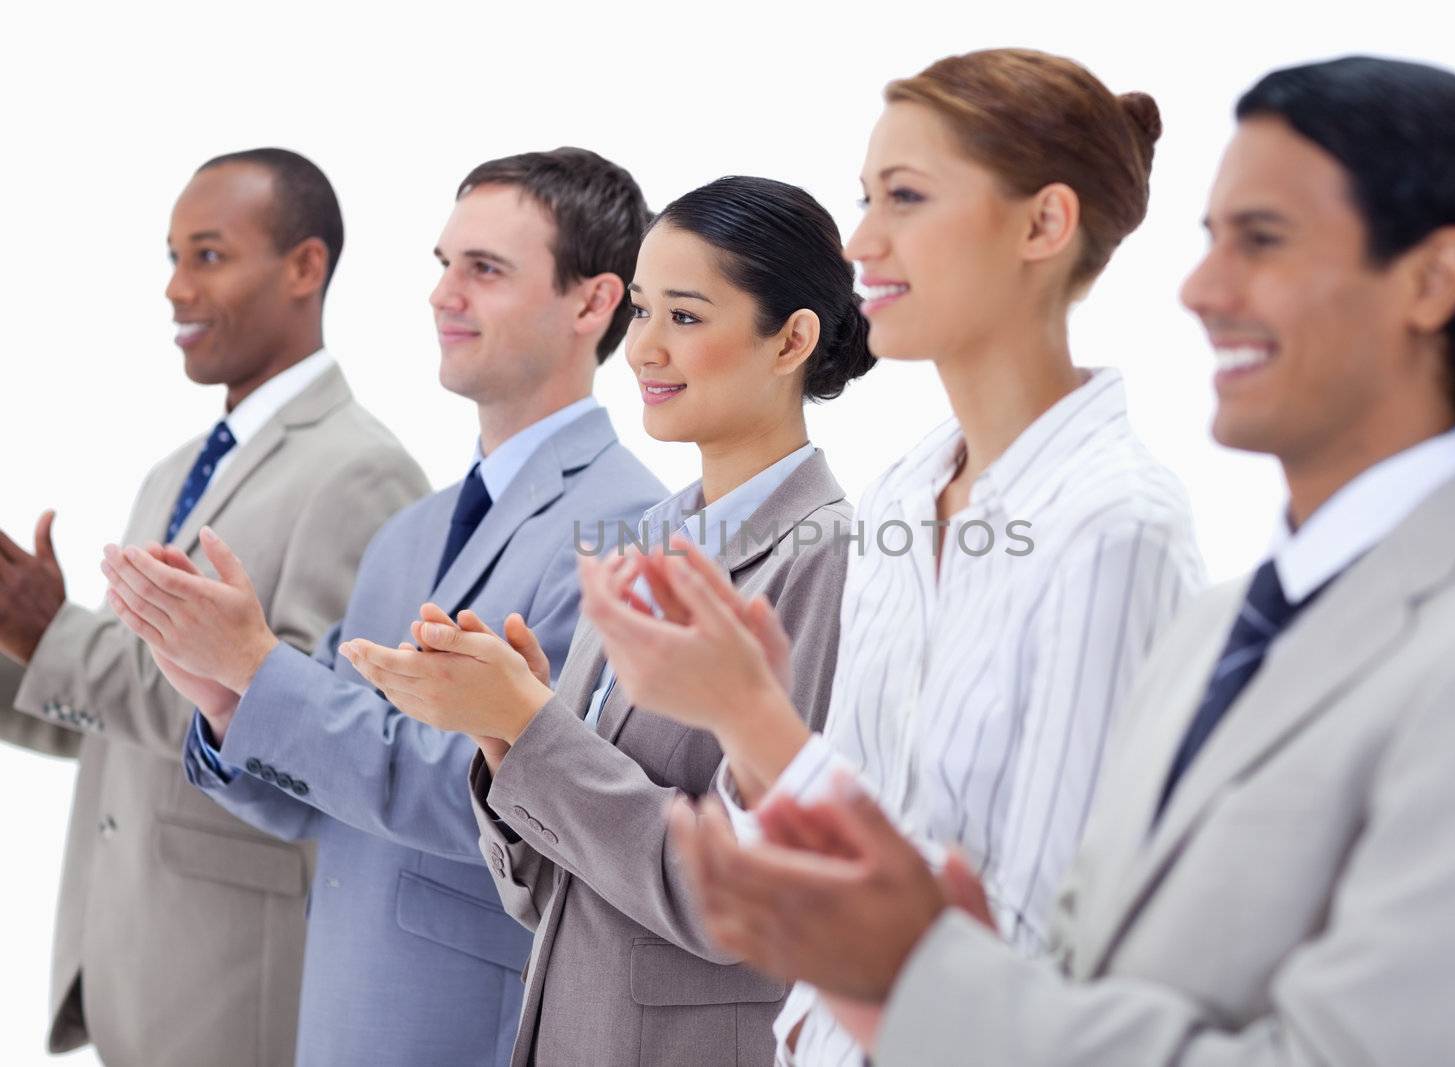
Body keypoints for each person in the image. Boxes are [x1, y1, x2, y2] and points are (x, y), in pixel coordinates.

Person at [665, 56, 1455, 1067]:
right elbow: (1084, 963)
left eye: (1264, 240)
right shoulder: (1220, 624)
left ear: (1431, 279)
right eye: (1209, 239)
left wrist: (909, 967)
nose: (1200, 288)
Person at [574, 48, 1203, 1064]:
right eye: (865, 198)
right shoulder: (909, 492)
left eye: (904, 198)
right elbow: (832, 848)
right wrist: (747, 721)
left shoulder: (1114, 528)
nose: (862, 241)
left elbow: (1045, 952)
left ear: (1043, 225)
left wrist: (747, 715)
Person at [99, 149, 664, 1065]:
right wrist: (223, 699)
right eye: (444, 265)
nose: (445, 295)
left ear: (593, 303)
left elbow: (505, 805)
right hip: (335, 1013)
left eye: (484, 269)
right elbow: (313, 795)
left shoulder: (627, 526)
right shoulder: (410, 533)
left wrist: (258, 666)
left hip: (466, 1024)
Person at [340, 174, 874, 1065]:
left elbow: (742, 899)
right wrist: (504, 740)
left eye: (687, 317)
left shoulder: (825, 557)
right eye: (641, 312)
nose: (643, 350)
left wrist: (532, 725)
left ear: (793, 339)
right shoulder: (642, 539)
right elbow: (550, 889)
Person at [0, 148, 427, 1065]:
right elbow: (116, 715)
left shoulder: (364, 471)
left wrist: (49, 631)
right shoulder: (175, 467)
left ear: (305, 267)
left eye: (208, 255)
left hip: (234, 982)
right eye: (171, 258)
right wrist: (18, 649)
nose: (175, 289)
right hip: (128, 956)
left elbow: (296, 729)